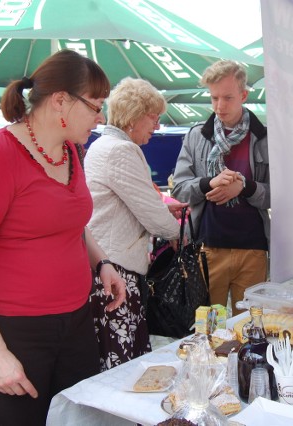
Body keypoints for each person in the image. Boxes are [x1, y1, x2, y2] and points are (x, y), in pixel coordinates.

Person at [0, 50, 126, 425]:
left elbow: (69, 221)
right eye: (95, 106)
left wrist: (101, 262)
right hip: (13, 331)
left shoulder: (70, 151)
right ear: (60, 100)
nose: (100, 117)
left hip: (74, 322)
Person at [85, 77, 188, 370]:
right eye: (153, 118)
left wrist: (165, 213)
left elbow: (137, 204)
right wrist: (180, 232)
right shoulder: (122, 151)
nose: (156, 126)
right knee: (119, 363)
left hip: (106, 264)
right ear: (134, 116)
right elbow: (154, 218)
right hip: (117, 271)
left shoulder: (103, 145)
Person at [172, 60, 269, 315]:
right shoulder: (196, 136)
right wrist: (208, 183)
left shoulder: (265, 138)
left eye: (227, 97)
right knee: (207, 329)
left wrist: (245, 187)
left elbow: (278, 196)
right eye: (214, 98)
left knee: (250, 329)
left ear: (244, 95)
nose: (219, 106)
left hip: (253, 248)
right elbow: (179, 189)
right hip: (208, 247)